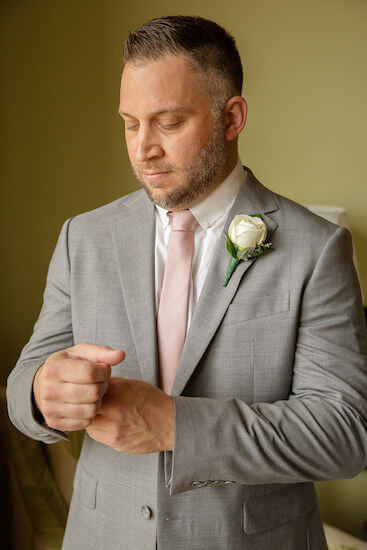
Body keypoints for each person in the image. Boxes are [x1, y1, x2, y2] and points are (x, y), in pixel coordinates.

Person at [7, 15, 367, 550]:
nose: (142, 149)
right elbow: (21, 386)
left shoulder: (317, 249)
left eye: (168, 122)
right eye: (130, 123)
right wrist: (41, 393)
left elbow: (344, 434)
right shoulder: (82, 237)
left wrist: (175, 424)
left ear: (232, 117)